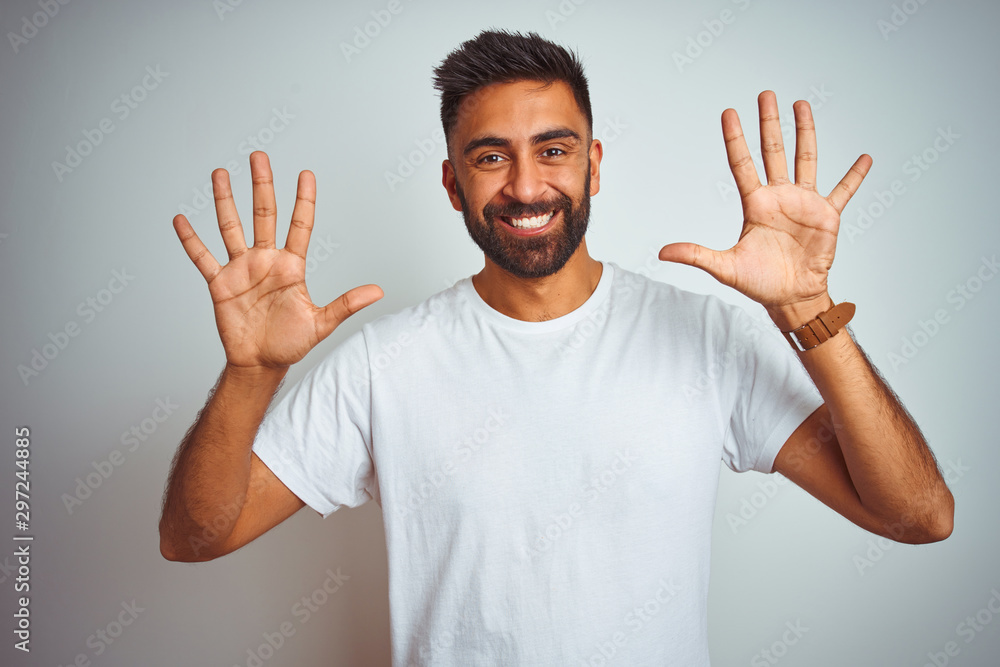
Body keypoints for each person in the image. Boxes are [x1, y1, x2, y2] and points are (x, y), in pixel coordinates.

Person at [159, 29, 954, 666]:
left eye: (553, 149)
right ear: (451, 184)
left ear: (593, 164)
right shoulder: (383, 365)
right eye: (490, 156)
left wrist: (810, 310)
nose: (527, 186)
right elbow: (194, 538)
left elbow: (919, 517)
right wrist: (252, 372)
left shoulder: (706, 339)